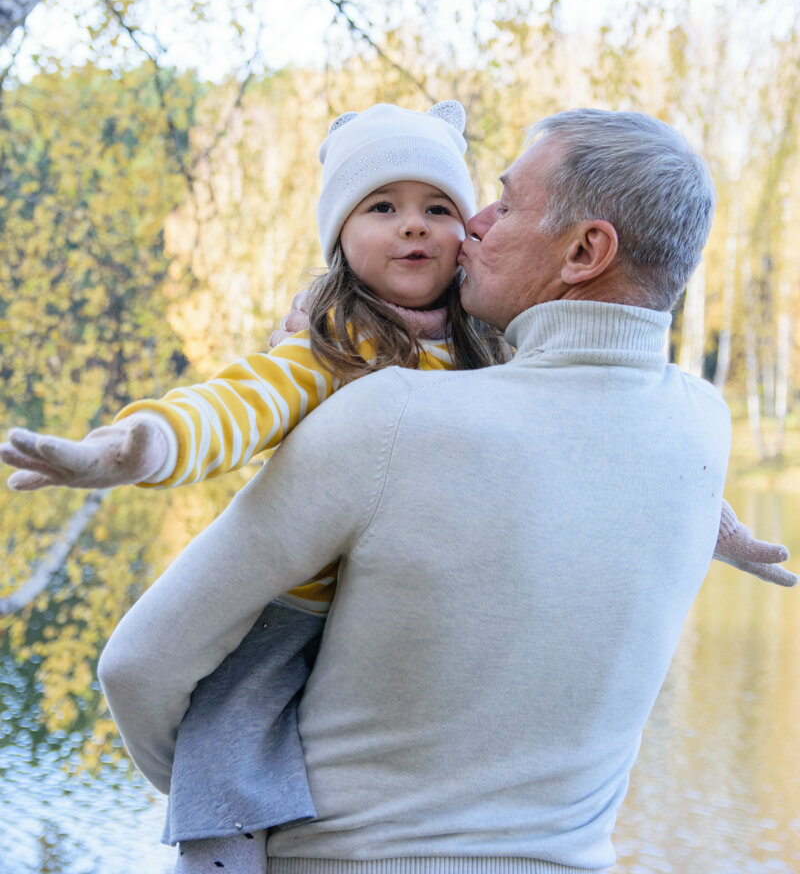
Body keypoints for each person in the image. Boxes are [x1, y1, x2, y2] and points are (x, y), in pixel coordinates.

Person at [2, 107, 794, 874]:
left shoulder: (386, 416)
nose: (472, 224)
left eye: (503, 202)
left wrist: (243, 797)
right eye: (388, 206)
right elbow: (235, 405)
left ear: (586, 250)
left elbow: (135, 666)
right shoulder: (701, 426)